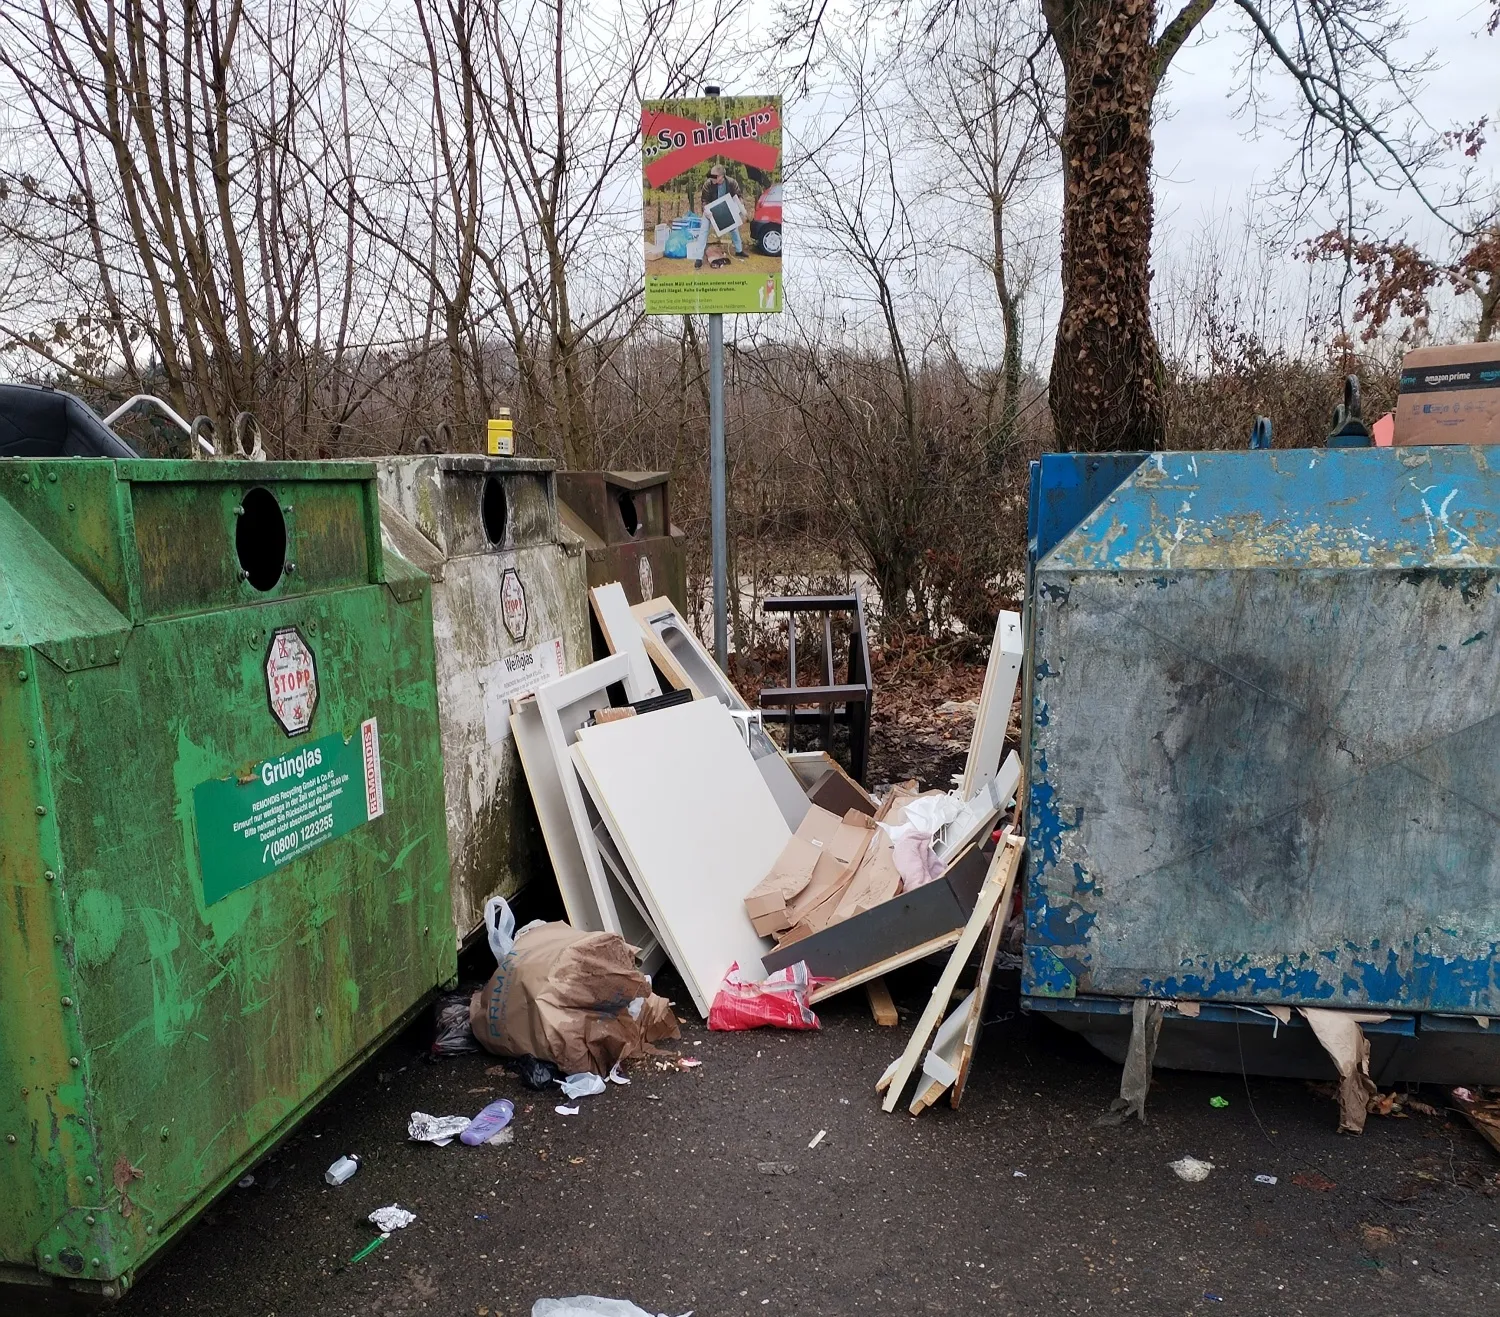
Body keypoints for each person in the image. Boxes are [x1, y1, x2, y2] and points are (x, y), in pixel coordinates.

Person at [696, 164, 749, 268]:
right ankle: (698, 257)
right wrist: (705, 210)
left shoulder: (732, 183)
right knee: (704, 229)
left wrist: (740, 206)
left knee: (734, 228)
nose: (712, 178)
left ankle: (739, 250)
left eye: (715, 176)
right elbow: (704, 200)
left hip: (725, 209)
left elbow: (738, 195)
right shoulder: (708, 184)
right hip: (710, 210)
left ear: (721, 176)